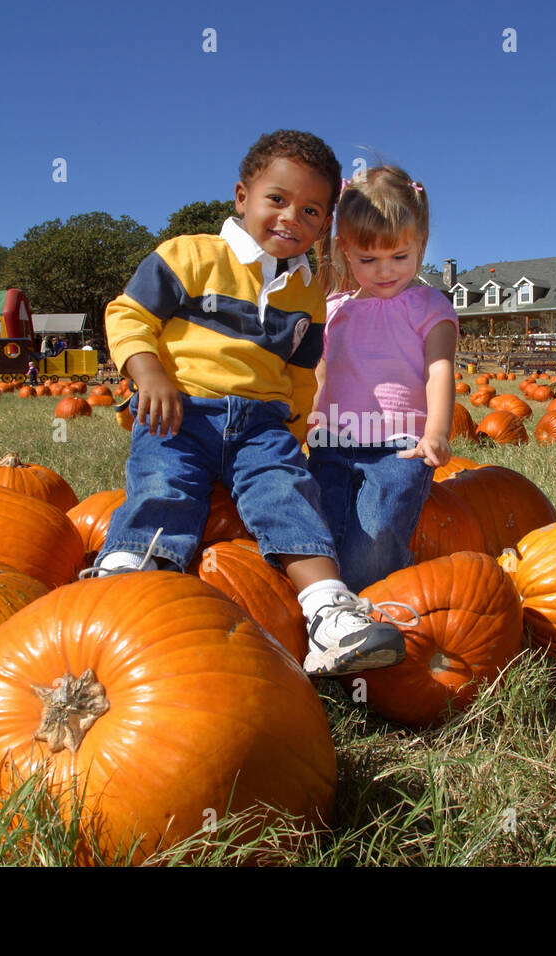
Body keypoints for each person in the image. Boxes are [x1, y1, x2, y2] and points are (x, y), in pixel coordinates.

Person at [94, 129, 409, 678]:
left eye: (312, 211)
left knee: (288, 495)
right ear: (242, 196)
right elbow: (128, 315)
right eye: (278, 200)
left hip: (261, 424)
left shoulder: (307, 292)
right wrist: (147, 374)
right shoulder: (188, 255)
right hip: (181, 409)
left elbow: (298, 370)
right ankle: (128, 579)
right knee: (163, 485)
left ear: (326, 224)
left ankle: (328, 613)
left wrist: (293, 429)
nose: (292, 218)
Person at [307, 166, 458, 593]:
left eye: (399, 256)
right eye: (367, 259)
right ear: (344, 249)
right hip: (332, 441)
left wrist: (437, 432)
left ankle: (377, 598)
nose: (384, 271)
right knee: (322, 531)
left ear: (421, 245)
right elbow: (323, 368)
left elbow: (439, 369)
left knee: (374, 536)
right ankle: (324, 605)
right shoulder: (336, 308)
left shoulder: (428, 305)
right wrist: (313, 418)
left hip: (399, 447)